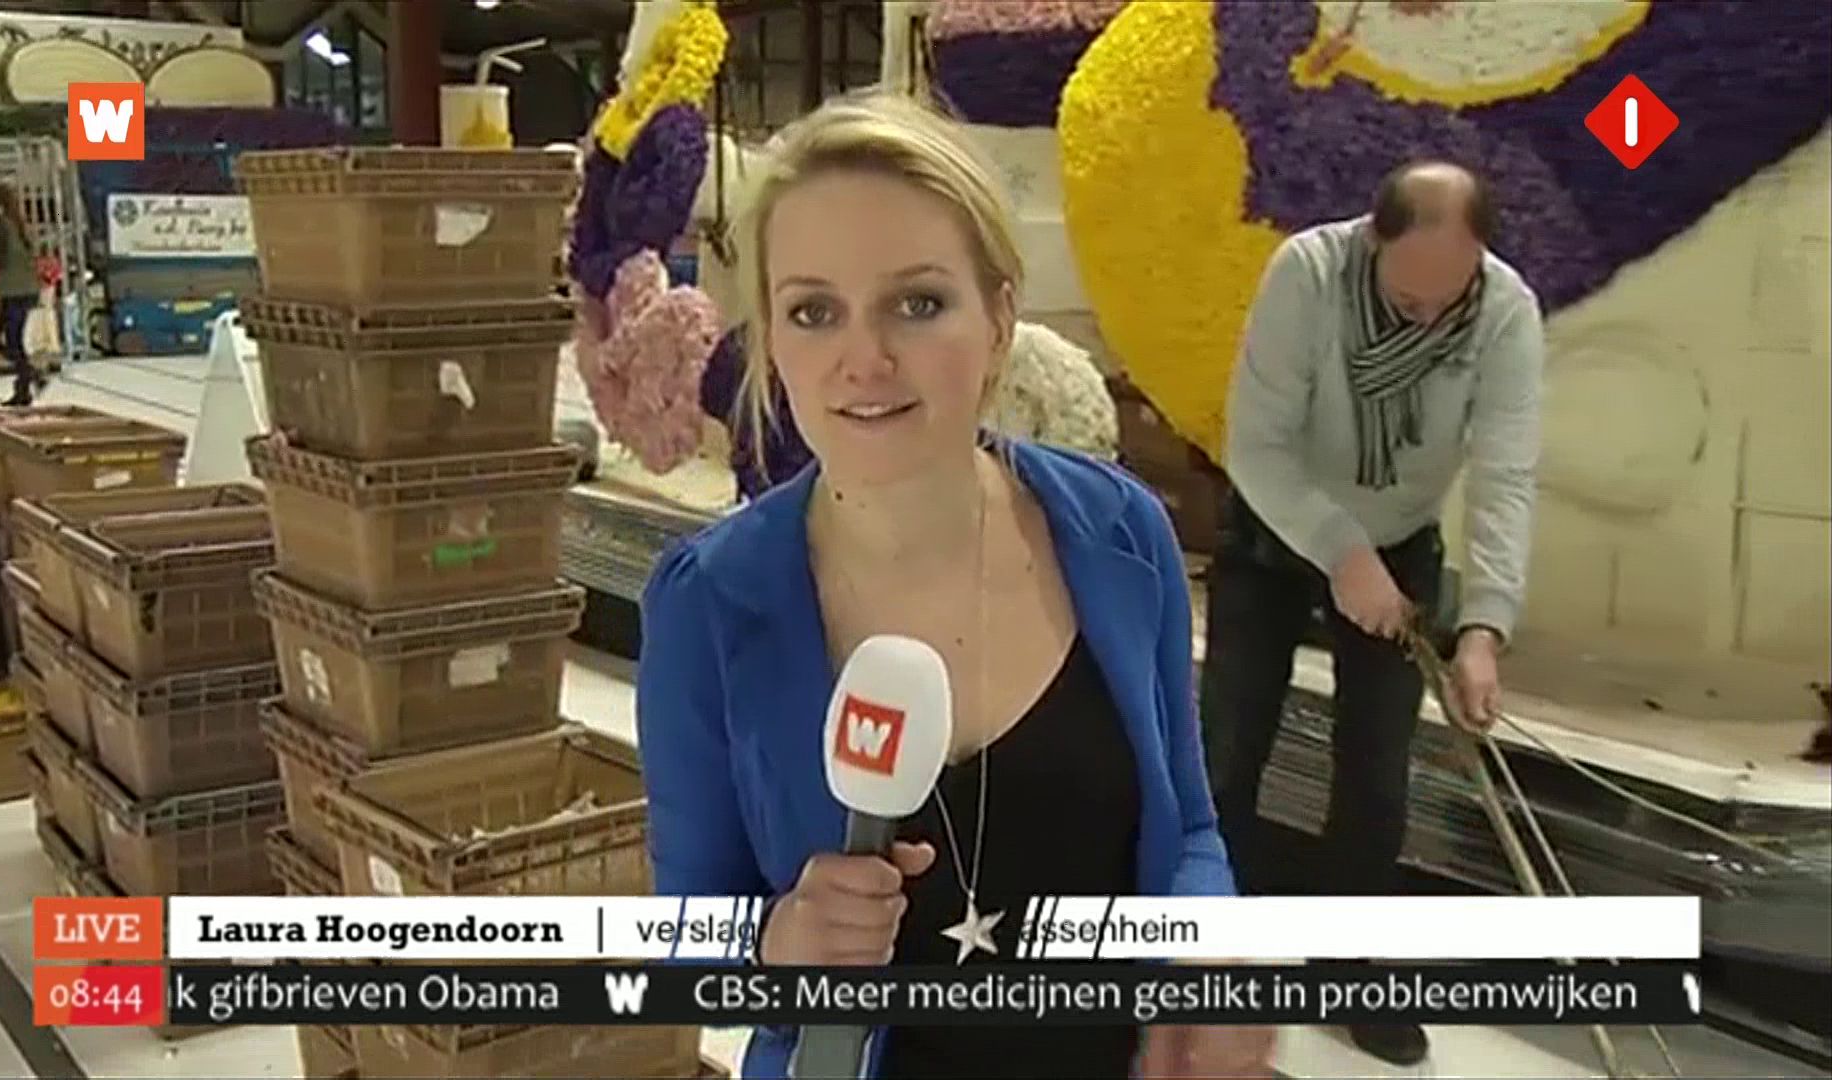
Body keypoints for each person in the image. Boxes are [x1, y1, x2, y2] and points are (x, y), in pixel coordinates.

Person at [635, 91, 1276, 1080]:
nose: (864, 359)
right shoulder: (708, 604)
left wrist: (1210, 951)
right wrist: (778, 942)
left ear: (1000, 319)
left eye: (919, 303)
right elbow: (690, 932)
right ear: (772, 342)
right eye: (813, 311)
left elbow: (1188, 828)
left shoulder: (1119, 535)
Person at [1200, 161, 1543, 1067]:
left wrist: (1484, 629)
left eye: (1448, 297)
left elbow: (1507, 476)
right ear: (1371, 241)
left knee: (1377, 777)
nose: (1428, 319)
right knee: (1228, 753)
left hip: (1401, 543)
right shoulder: (1307, 277)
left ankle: (1349, 973)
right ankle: (1210, 961)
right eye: (1407, 299)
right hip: (1277, 529)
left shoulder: (1505, 313)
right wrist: (1342, 553)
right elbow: (1258, 446)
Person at [0, 180, 41, 406]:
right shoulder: (19, 225)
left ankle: (28, 376)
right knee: (11, 339)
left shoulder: (3, 226)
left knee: (6, 340)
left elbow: (1, 258)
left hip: (12, 291)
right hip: (25, 290)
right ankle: (25, 381)